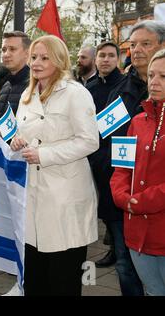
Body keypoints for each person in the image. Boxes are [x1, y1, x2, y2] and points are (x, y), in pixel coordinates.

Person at [10, 35, 99, 296]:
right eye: (34, 57)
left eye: (44, 57)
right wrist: (17, 140)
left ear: (59, 60)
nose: (36, 63)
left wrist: (45, 155)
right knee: (36, 279)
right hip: (32, 198)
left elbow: (89, 141)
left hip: (64, 197)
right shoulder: (27, 94)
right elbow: (23, 131)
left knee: (63, 280)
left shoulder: (76, 93)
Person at [105, 19, 165, 296]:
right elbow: (118, 155)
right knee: (129, 272)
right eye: (133, 44)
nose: (137, 49)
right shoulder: (124, 97)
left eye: (145, 43)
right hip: (130, 216)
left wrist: (142, 200)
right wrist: (119, 194)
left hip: (155, 218)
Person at [86, 41, 124, 269]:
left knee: (114, 204)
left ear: (117, 59)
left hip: (114, 154)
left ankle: (119, 252)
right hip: (92, 153)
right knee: (104, 205)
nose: (106, 59)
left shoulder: (124, 83)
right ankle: (113, 246)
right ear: (96, 59)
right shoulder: (89, 86)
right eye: (102, 55)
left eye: (111, 55)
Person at [0, 31, 31, 122]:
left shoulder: (35, 85)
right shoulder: (6, 85)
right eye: (4, 50)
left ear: (27, 53)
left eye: (12, 49)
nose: (6, 54)